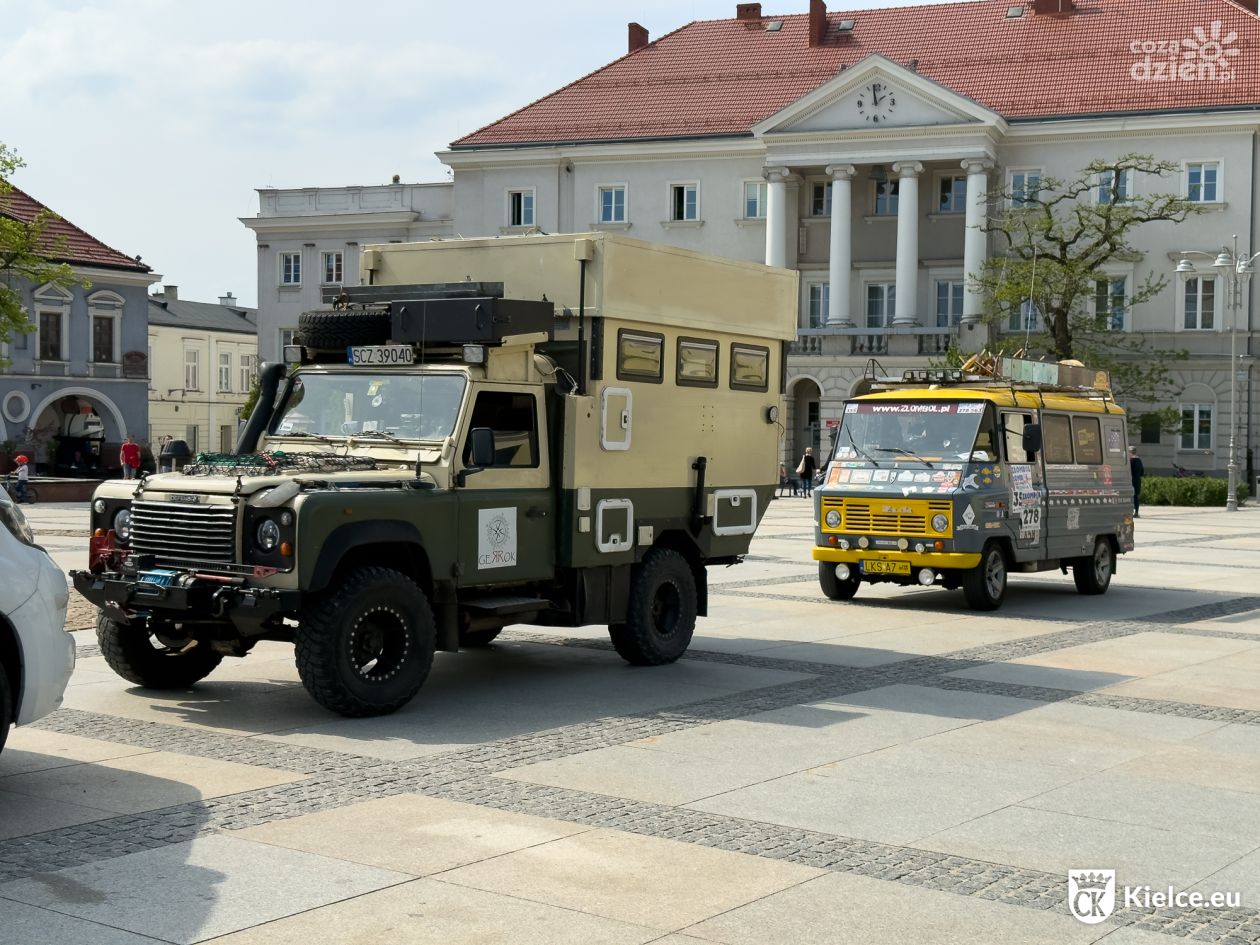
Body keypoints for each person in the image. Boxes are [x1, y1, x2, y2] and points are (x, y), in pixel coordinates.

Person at [1129, 445, 1144, 517]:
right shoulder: (1139, 460)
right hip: (1137, 481)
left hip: (1131, 481)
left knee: (1130, 497)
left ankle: (1130, 511)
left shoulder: (1130, 461)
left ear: (1130, 452)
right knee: (1136, 497)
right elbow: (1142, 472)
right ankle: (1136, 512)